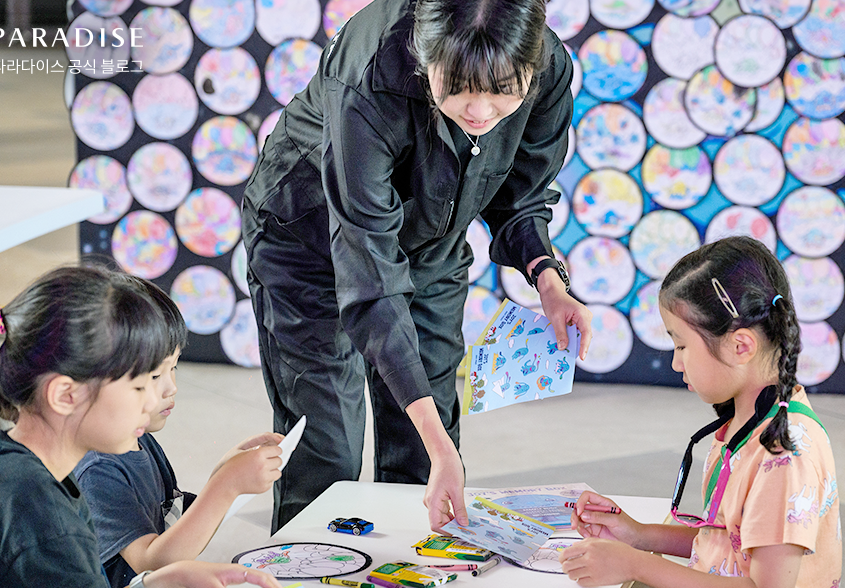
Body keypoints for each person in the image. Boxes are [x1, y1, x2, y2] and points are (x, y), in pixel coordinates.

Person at [241, 0, 592, 533]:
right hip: (308, 240)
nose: (480, 113)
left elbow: (522, 194)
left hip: (431, 244)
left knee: (427, 449)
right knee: (326, 442)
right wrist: (437, 440)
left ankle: (413, 565)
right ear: (426, 56)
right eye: (460, 89)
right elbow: (369, 272)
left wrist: (548, 279)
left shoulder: (546, 65)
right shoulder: (368, 76)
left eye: (503, 93)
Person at [0, 266, 282, 588]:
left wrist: (156, 582)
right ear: (65, 395)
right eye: (140, 385)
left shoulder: (0, 462)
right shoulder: (49, 522)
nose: (153, 400)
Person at [559, 236, 841, 587]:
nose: (676, 363)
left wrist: (636, 566)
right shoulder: (748, 422)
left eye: (681, 345)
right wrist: (637, 535)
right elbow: (726, 541)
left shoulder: (783, 454)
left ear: (740, 346)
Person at [74, 275, 284, 588]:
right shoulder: (98, 468)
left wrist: (224, 474)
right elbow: (154, 565)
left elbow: (177, 528)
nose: (171, 387)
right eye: (154, 375)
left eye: (173, 367)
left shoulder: (139, 438)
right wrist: (225, 486)